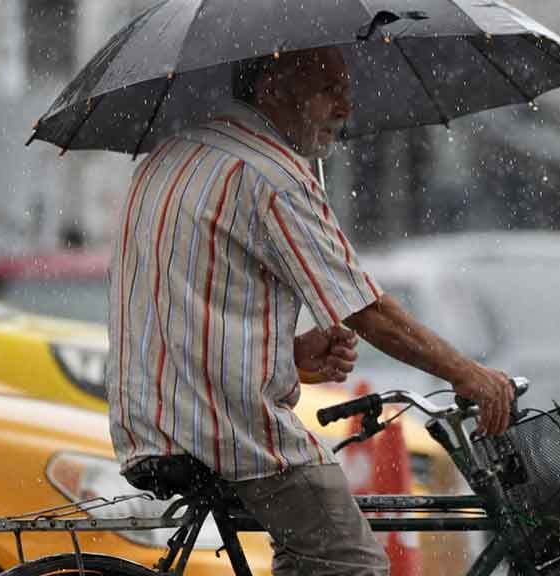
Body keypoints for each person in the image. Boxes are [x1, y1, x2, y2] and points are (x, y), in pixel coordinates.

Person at [106, 46, 514, 575]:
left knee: (313, 555)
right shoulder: (272, 176)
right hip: (225, 429)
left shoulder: (170, 156)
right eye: (329, 90)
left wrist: (290, 355)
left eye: (345, 90)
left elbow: (184, 307)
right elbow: (368, 310)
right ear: (273, 89)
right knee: (351, 563)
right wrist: (468, 375)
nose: (345, 107)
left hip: (152, 418)